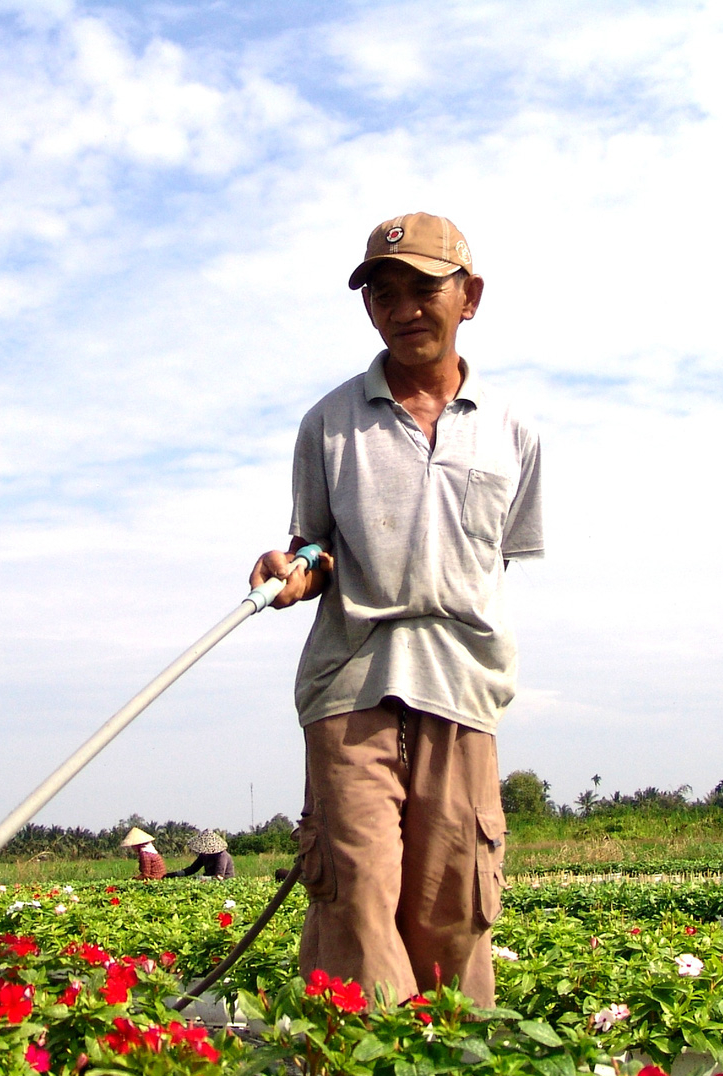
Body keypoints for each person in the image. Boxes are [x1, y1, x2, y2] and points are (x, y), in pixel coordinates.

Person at [249, 213, 542, 1006]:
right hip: (350, 686)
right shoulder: (328, 424)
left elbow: (497, 555)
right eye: (384, 294)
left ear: (469, 297)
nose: (405, 309)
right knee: (356, 902)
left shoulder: (513, 430)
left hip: (463, 687)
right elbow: (313, 550)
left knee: (455, 903)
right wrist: (290, 570)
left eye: (424, 289)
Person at [166, 830, 235, 880]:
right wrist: (175, 874)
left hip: (224, 881)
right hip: (209, 878)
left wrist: (199, 878)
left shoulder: (222, 856)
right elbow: (192, 869)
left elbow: (219, 877)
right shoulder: (204, 855)